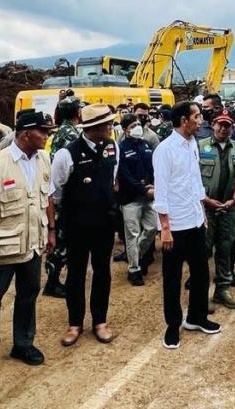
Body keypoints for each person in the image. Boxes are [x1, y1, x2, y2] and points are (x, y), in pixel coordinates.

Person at [0, 110, 55, 377]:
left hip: (32, 244)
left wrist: (51, 231)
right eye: (42, 132)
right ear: (25, 133)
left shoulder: (44, 159)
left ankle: (23, 344)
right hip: (3, 249)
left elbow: (49, 199)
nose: (46, 136)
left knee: (28, 296)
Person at [153, 101, 221, 350]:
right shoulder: (165, 150)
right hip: (175, 226)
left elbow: (193, 181)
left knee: (201, 273)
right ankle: (173, 326)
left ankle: (197, 317)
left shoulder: (193, 144)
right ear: (184, 120)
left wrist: (204, 205)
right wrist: (165, 228)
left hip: (194, 221)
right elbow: (161, 192)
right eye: (197, 116)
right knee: (171, 279)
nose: (201, 120)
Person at [53, 104, 119, 347]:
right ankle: (75, 323)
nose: (111, 127)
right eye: (108, 124)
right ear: (95, 127)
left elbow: (113, 179)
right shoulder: (67, 154)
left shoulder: (113, 147)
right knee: (76, 273)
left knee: (103, 272)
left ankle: (100, 321)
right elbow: (56, 191)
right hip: (77, 225)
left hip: (104, 223)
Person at [198, 113, 235, 310]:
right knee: (203, 251)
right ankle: (201, 293)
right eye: (220, 125)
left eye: (228, 126)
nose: (224, 129)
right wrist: (206, 200)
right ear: (213, 125)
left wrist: (233, 200)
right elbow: (193, 178)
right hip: (205, 208)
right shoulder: (200, 147)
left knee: (225, 249)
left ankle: (222, 290)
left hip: (227, 208)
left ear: (232, 128)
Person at [43, 96, 81, 298]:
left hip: (60, 197)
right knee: (61, 242)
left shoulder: (62, 132)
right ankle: (53, 282)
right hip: (63, 199)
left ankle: (54, 279)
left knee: (61, 240)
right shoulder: (70, 135)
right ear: (76, 112)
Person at [117, 114, 157, 286]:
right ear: (125, 129)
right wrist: (142, 189)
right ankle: (134, 269)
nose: (137, 128)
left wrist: (153, 186)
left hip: (149, 196)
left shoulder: (146, 145)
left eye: (138, 124)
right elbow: (124, 175)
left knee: (152, 228)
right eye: (133, 125)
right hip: (130, 198)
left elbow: (153, 168)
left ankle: (134, 254)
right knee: (132, 233)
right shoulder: (121, 148)